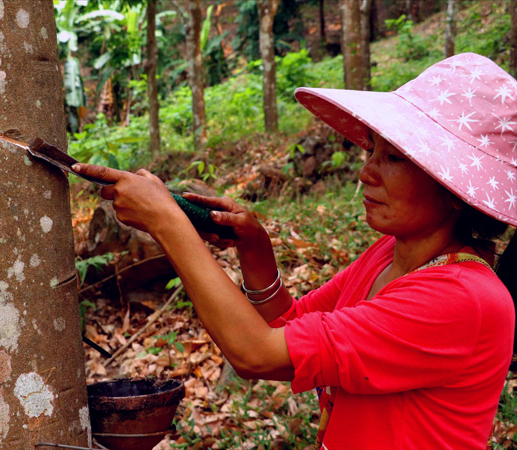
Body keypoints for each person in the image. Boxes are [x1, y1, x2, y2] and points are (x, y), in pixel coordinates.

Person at [73, 52, 517, 449]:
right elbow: (290, 328)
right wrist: (255, 250)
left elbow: (257, 354)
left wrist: (166, 222)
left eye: (394, 158)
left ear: (455, 190)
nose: (366, 173)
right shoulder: (390, 255)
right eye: (372, 150)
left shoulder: (463, 301)